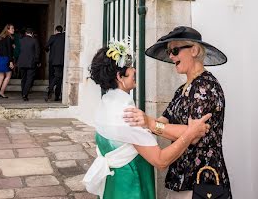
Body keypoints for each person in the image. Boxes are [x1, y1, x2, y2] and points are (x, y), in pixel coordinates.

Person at [83, 38, 211, 199]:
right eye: (130, 67)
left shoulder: (105, 104)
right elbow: (160, 160)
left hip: (115, 186)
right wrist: (190, 133)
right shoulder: (127, 114)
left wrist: (151, 123)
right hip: (132, 188)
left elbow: (160, 122)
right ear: (120, 76)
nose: (135, 70)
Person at [124, 26, 232, 199]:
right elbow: (165, 121)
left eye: (175, 50)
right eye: (169, 52)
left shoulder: (206, 86)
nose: (171, 56)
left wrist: (151, 123)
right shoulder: (182, 89)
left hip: (202, 180)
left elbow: (194, 135)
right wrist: (140, 126)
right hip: (180, 177)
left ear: (194, 50)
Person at [17, 28, 40, 101]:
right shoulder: (34, 40)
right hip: (31, 63)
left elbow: (17, 51)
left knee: (23, 78)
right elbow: (37, 53)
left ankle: (23, 92)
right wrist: (38, 62)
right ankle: (25, 94)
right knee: (29, 79)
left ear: (26, 33)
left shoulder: (20, 41)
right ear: (32, 33)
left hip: (22, 62)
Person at [45, 25, 65, 101]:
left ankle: (50, 88)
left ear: (56, 30)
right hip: (62, 60)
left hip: (53, 60)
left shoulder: (53, 37)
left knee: (55, 76)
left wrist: (47, 50)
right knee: (59, 78)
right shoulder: (64, 37)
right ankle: (57, 96)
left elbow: (46, 46)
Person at [0, 23, 15, 99]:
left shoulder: (1, 38)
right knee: (8, 76)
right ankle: (1, 92)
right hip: (6, 58)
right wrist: (10, 61)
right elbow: (9, 51)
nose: (13, 30)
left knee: (1, 76)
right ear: (8, 29)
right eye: (12, 28)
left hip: (0, 58)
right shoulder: (9, 38)